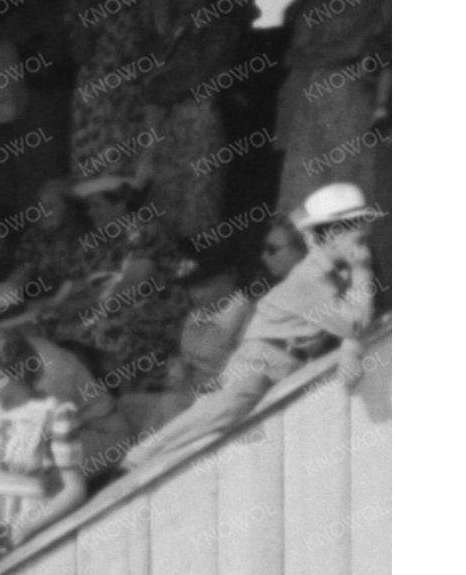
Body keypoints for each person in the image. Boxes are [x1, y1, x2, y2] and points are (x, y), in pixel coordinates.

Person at [109, 181, 377, 481]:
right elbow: (356, 323)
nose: (363, 232)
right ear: (330, 234)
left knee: (222, 424)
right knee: (215, 417)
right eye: (353, 225)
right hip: (260, 365)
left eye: (361, 222)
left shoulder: (336, 272)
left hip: (282, 366)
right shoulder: (311, 278)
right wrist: (363, 271)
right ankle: (138, 461)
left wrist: (351, 345)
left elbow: (353, 327)